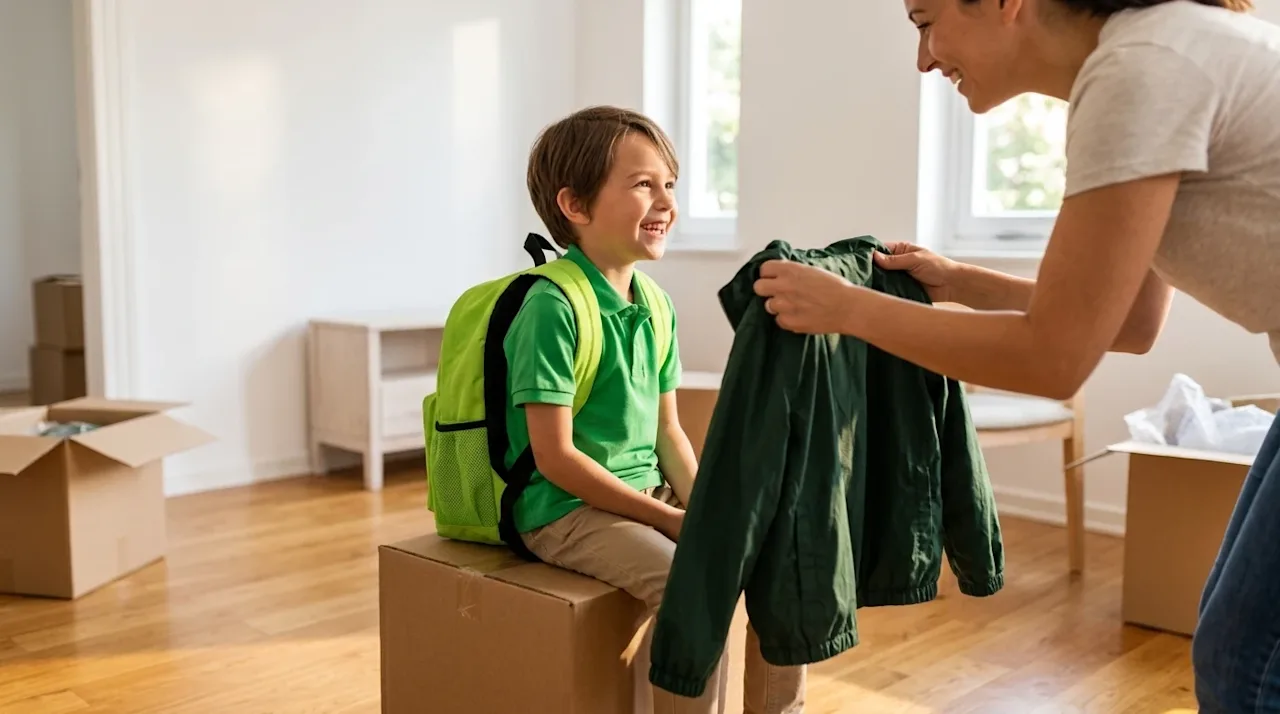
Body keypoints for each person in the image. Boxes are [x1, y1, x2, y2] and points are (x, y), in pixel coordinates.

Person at [752, 0, 1280, 709]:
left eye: (924, 21)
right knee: (1234, 649)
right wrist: (962, 284)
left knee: (1245, 669)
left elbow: (1051, 362)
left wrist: (847, 310)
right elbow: (1131, 323)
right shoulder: (1153, 56)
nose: (923, 58)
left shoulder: (1141, 71)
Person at [512, 105, 806, 713]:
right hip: (563, 508)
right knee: (691, 582)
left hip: (643, 492)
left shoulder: (656, 303)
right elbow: (556, 457)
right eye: (643, 184)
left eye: (669, 184)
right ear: (575, 205)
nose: (666, 202)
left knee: (780, 555)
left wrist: (704, 510)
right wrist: (669, 522)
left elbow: (667, 430)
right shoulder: (551, 307)